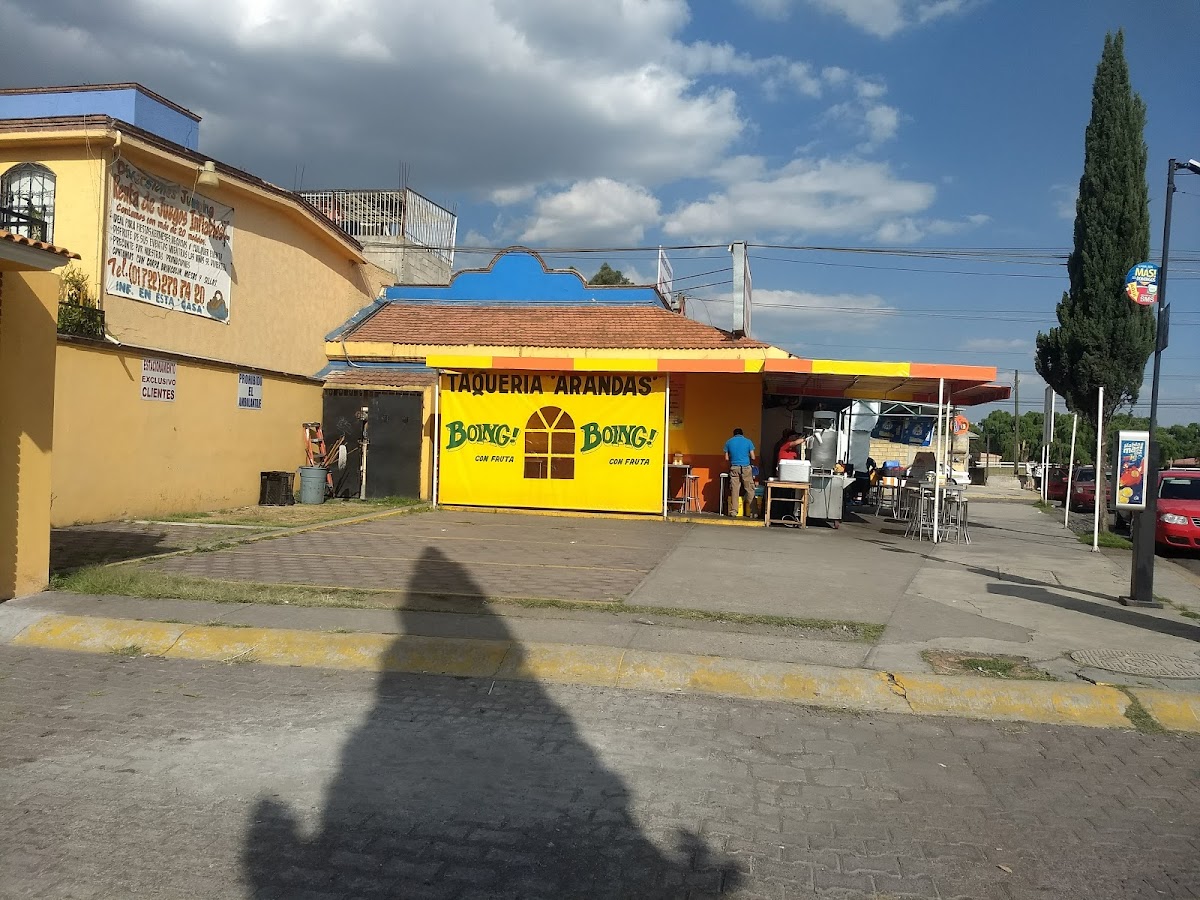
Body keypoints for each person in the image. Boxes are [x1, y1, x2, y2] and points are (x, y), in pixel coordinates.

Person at [724, 428, 757, 517]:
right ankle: (754, 512)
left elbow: (726, 458)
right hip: (746, 468)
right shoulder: (748, 441)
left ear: (734, 434)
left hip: (734, 468)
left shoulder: (728, 442)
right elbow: (753, 457)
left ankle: (734, 511)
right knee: (750, 489)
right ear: (742, 434)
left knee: (734, 490)